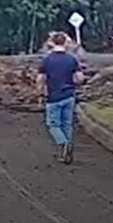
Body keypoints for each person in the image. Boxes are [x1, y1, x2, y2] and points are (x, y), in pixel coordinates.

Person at [36, 31, 85, 164]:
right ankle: (67, 150)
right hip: (69, 95)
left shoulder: (46, 60)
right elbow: (80, 78)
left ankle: (63, 144)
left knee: (53, 125)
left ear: (51, 42)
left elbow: (40, 79)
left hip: (54, 96)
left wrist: (40, 93)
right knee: (67, 124)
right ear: (65, 43)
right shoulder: (72, 59)